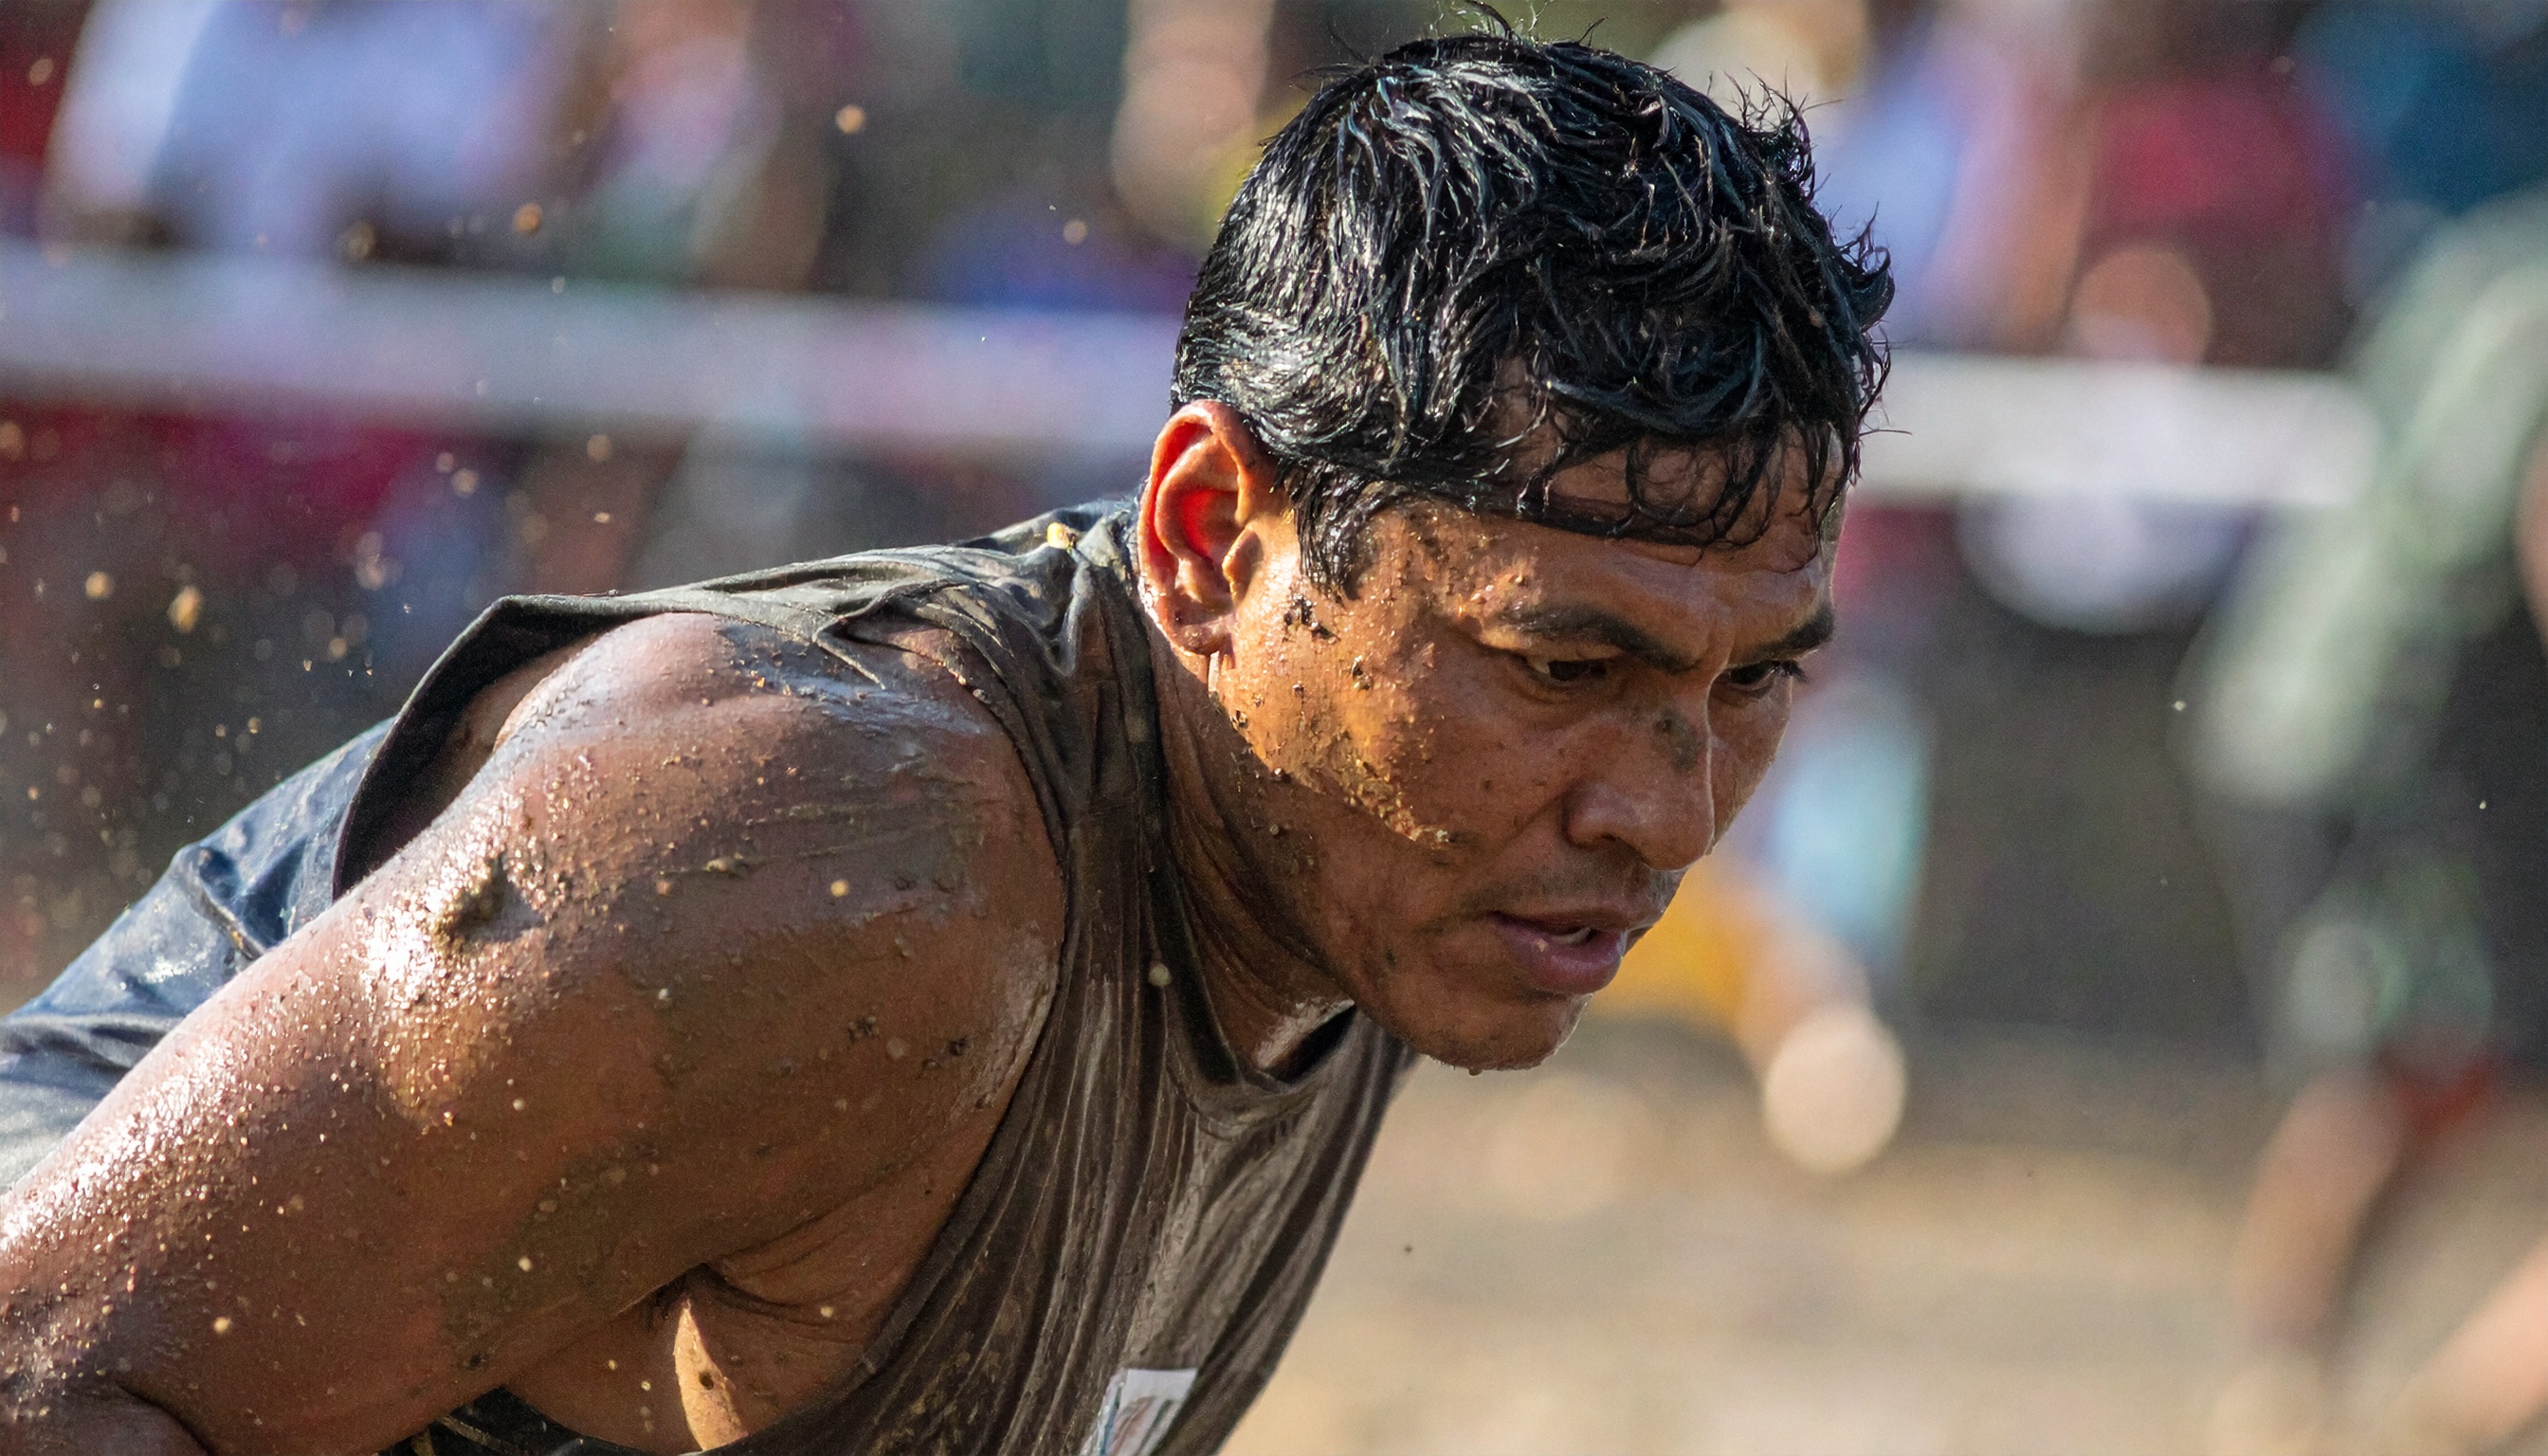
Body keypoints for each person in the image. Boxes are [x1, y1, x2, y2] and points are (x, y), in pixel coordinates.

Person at [0, 26, 1889, 1456]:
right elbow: (42, 1370)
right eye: (1561, 668)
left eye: (1748, 686)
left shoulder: (1373, 868)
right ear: (1213, 538)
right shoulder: (855, 872)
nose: (1664, 810)